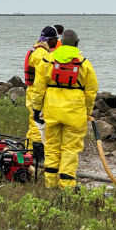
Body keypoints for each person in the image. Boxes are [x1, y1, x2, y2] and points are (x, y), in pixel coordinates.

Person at [31, 29, 98, 189]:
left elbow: (39, 88)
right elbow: (91, 91)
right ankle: (67, 185)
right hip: (75, 113)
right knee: (70, 149)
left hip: (52, 111)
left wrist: (36, 109)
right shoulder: (84, 63)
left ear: (61, 42)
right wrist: (87, 111)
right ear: (76, 43)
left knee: (52, 147)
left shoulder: (47, 60)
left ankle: (50, 183)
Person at [24, 26, 59, 165]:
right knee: (37, 124)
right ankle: (38, 157)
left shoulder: (39, 51)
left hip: (33, 90)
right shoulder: (40, 54)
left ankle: (30, 150)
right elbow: (42, 77)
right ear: (50, 40)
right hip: (35, 91)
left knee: (34, 123)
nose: (57, 42)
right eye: (56, 39)